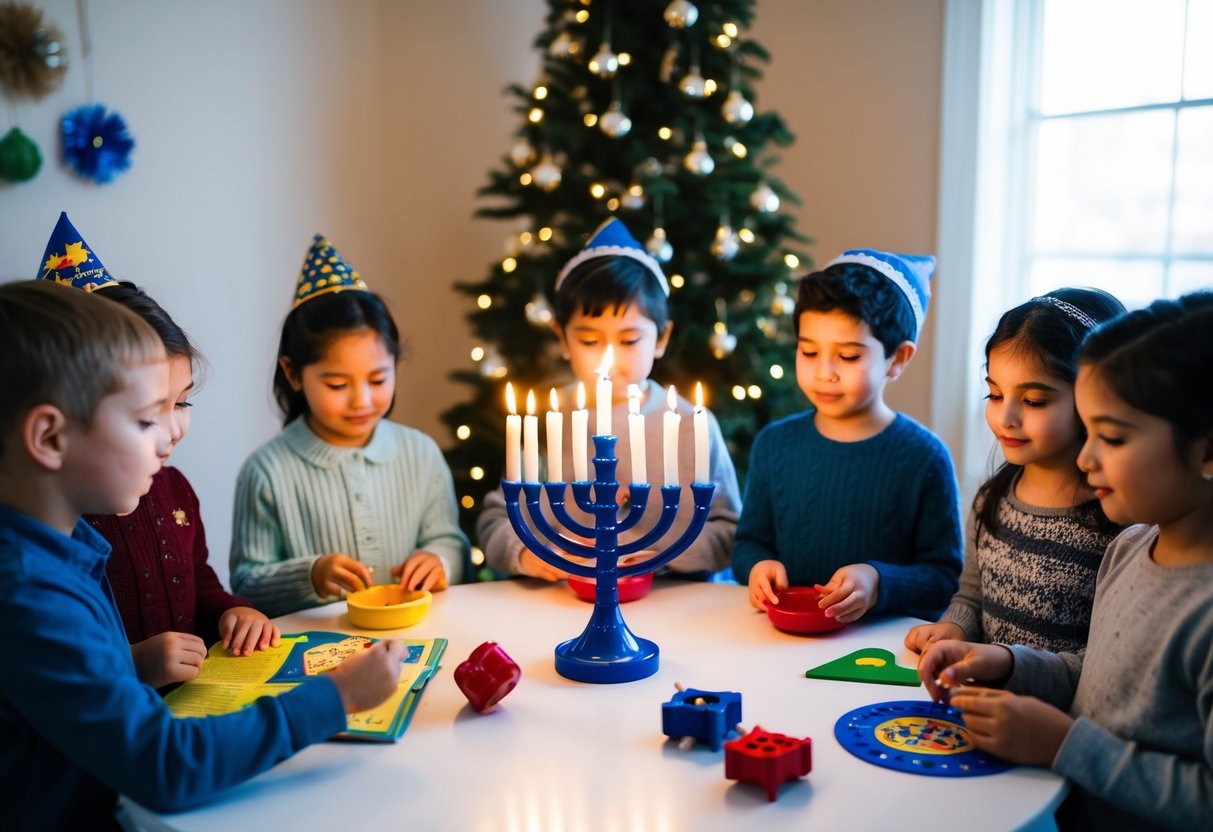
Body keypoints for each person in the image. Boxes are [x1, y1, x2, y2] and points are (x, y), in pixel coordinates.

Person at [0, 280, 406, 829]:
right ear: (49, 437)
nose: (167, 437)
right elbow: (163, 764)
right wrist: (334, 696)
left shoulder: (65, 552)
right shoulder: (29, 591)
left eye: (178, 405)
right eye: (144, 419)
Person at [919, 291, 1213, 831]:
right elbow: (1097, 677)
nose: (1084, 456)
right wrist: (1007, 662)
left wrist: (1062, 742)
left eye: (1113, 436)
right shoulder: (1132, 551)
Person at [37, 212, 278, 693]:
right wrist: (132, 663)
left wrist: (234, 611)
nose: (174, 428)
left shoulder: (173, 490)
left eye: (183, 401)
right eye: (149, 411)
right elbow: (54, 674)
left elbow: (197, 578)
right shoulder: (55, 530)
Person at [477, 218, 742, 580]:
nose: (610, 359)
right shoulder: (546, 421)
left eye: (630, 340)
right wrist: (531, 556)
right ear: (562, 338)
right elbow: (496, 521)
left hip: (676, 608)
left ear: (662, 338)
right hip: (562, 605)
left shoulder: (690, 423)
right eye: (590, 341)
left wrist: (652, 551)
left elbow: (730, 533)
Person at [230, 235, 469, 617]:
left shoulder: (420, 454)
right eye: (337, 385)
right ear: (292, 373)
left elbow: (449, 541)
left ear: (396, 365)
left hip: (419, 636)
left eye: (377, 380)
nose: (361, 400)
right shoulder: (266, 471)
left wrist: (439, 560)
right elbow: (247, 583)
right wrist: (309, 575)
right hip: (319, 654)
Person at [732, 248, 963, 621]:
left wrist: (878, 581)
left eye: (849, 356)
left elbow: (943, 577)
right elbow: (749, 543)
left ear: (898, 359)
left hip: (876, 650)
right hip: (780, 640)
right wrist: (758, 566)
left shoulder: (924, 457)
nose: (824, 372)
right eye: (809, 352)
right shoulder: (774, 445)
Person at [905, 289, 1125, 655]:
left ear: (1095, 397)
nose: (1005, 419)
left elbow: (1107, 661)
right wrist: (954, 627)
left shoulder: (1117, 518)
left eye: (1034, 401)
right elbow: (972, 595)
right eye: (994, 395)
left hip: (1054, 713)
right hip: (984, 703)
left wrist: (1010, 666)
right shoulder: (992, 498)